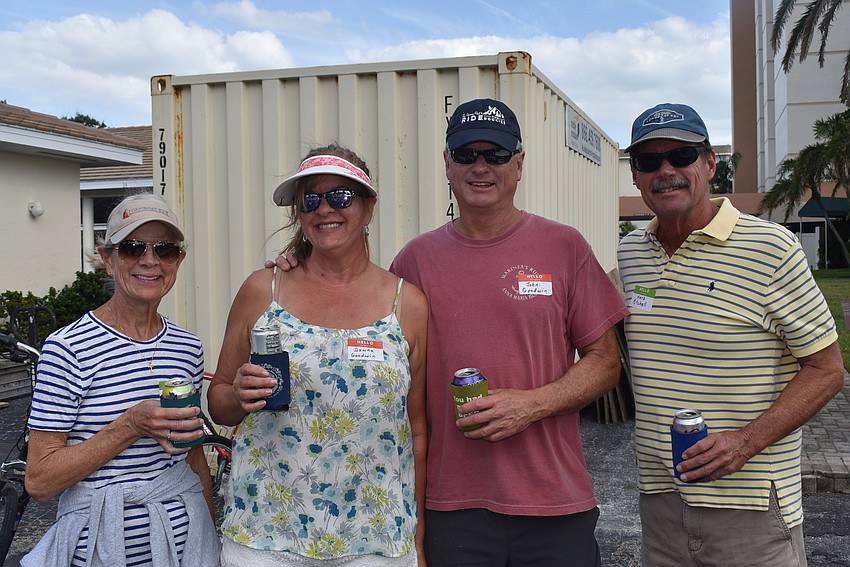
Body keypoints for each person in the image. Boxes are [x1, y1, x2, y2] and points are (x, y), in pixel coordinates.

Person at [274, 100, 628, 565]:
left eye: (496, 155)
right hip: (451, 507)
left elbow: (606, 362)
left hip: (553, 502)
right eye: (466, 155)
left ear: (519, 164)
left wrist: (531, 404)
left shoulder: (564, 247)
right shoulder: (414, 264)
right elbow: (350, 324)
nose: (481, 167)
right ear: (447, 164)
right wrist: (298, 272)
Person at [617, 102, 845, 566]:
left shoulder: (770, 247)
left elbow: (827, 369)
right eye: (648, 161)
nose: (666, 171)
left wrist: (747, 440)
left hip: (752, 509)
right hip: (660, 504)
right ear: (636, 177)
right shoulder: (630, 254)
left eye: (681, 156)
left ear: (709, 164)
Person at [207, 144, 428, 566]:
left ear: (369, 207)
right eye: (311, 199)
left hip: (375, 539)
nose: (325, 209)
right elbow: (219, 401)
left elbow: (415, 429)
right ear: (299, 213)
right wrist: (237, 395)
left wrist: (418, 538)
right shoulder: (263, 289)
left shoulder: (407, 304)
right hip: (265, 534)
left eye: (341, 196)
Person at [23, 193, 220, 566]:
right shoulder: (68, 348)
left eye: (164, 249)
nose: (150, 260)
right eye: (132, 248)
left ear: (179, 260)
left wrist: (209, 542)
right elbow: (40, 480)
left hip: (184, 547)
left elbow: (193, 458)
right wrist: (130, 425)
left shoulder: (187, 347)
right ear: (107, 259)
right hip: (101, 550)